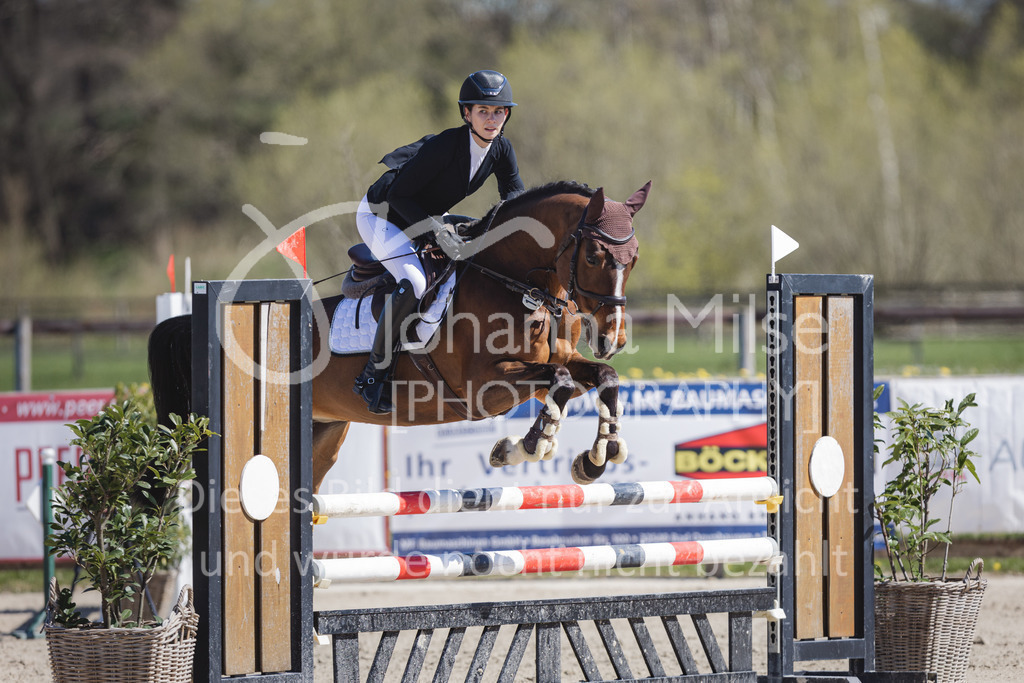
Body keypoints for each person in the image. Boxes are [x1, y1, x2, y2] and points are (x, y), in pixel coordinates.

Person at [354, 69, 525, 414]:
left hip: (425, 213)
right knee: (416, 281)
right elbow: (400, 196)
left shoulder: (501, 150)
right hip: (383, 215)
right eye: (483, 112)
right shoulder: (446, 145)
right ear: (467, 114)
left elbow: (515, 200)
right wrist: (437, 233)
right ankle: (374, 374)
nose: (492, 119)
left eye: (499, 112)